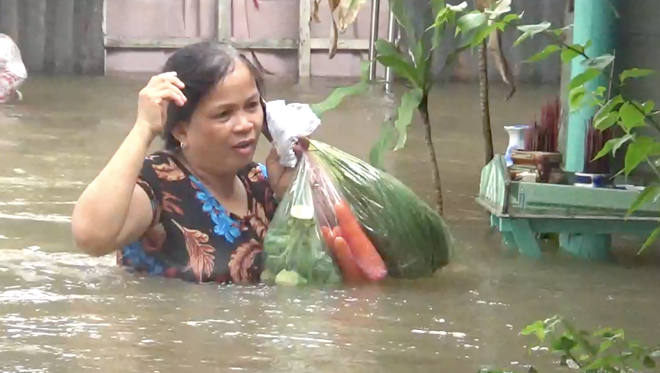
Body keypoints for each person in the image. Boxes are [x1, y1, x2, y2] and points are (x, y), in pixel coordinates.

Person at [71, 41, 311, 284]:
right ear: (181, 131)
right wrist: (143, 128)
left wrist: (292, 194)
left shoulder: (262, 182)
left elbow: (321, 269)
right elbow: (90, 237)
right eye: (223, 114)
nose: (245, 125)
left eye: (251, 106)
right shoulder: (158, 183)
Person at [0, 33, 27, 104]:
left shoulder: (3, 42)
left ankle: (8, 92)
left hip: (13, 71)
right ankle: (11, 93)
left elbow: (2, 61)